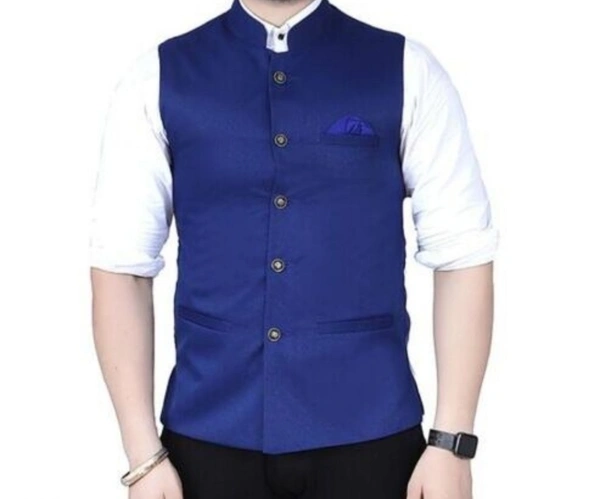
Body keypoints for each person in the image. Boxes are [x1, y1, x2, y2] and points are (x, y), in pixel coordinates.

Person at [89, 0, 498, 497]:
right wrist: (142, 457)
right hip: (203, 445)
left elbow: (462, 254)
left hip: (373, 441)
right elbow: (121, 267)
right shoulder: (158, 76)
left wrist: (451, 444)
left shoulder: (408, 70)